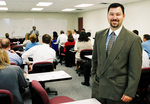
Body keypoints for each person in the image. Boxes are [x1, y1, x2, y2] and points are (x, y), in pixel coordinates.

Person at [91, 3, 142, 104]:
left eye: (118, 14)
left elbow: (135, 70)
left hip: (118, 92)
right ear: (107, 16)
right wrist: (94, 78)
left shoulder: (133, 39)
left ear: (123, 16)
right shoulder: (99, 34)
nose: (114, 17)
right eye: (111, 14)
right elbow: (95, 60)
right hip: (99, 87)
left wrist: (130, 92)